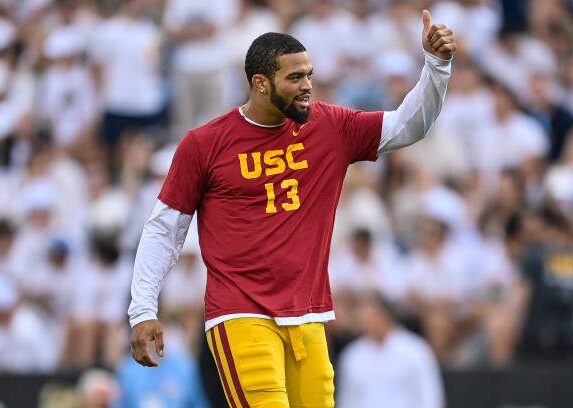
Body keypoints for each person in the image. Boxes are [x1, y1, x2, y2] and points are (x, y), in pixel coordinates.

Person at [129, 10, 456, 408]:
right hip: (239, 313)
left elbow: (410, 125)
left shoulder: (329, 126)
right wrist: (142, 309)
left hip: (309, 314)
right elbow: (165, 229)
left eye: (309, 75)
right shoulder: (205, 144)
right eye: (295, 78)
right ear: (260, 84)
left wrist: (436, 66)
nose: (308, 87)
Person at [336, 290, 444, 408]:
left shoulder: (415, 350)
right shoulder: (352, 355)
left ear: (385, 315)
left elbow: (430, 396)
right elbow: (347, 400)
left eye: (371, 316)